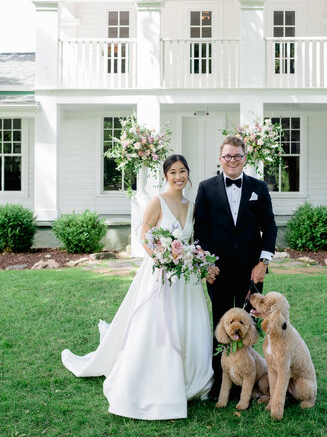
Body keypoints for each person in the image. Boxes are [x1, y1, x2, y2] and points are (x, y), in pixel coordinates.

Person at [61, 154, 213, 420]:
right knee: (158, 328)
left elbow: (192, 240)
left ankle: (192, 379)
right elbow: (143, 236)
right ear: (165, 176)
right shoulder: (158, 202)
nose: (179, 177)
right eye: (173, 172)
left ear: (188, 174)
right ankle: (157, 381)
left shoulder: (192, 204)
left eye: (183, 171)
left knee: (189, 324)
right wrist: (162, 259)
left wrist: (192, 259)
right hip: (160, 274)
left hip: (186, 280)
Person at [194, 135, 277, 400]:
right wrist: (206, 264)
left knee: (249, 325)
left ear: (245, 158)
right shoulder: (206, 188)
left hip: (251, 270)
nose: (233, 160)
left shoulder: (259, 188)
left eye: (237, 156)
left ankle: (250, 383)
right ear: (220, 159)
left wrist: (263, 262)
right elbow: (201, 231)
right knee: (222, 324)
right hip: (217, 271)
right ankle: (221, 385)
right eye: (228, 156)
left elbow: (270, 227)